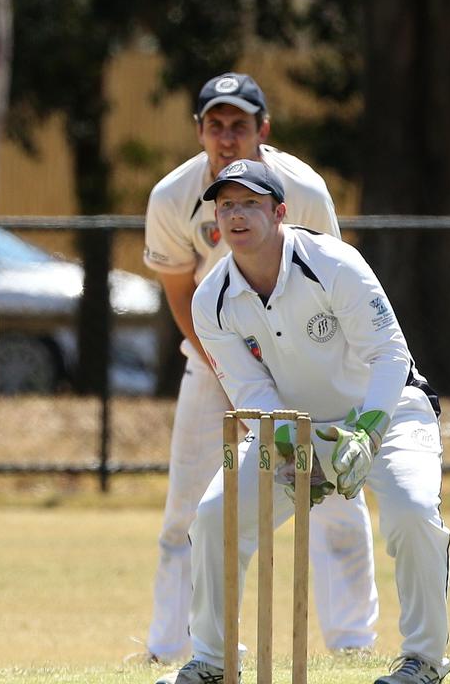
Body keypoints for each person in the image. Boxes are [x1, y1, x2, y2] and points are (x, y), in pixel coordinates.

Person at [159, 159, 450, 684]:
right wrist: (294, 447)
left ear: (280, 211)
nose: (236, 215)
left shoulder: (334, 263)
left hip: (388, 414)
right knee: (213, 517)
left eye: (250, 203)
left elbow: (390, 356)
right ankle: (212, 662)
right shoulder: (212, 300)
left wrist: (367, 432)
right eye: (226, 205)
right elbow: (251, 391)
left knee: (410, 511)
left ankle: (425, 660)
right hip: (291, 425)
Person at [141, 73, 378, 663]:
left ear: (262, 130)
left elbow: (332, 278)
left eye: (239, 125)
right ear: (199, 130)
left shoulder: (302, 189)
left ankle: (351, 643)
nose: (226, 137)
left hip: (304, 366)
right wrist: (225, 366)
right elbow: (178, 289)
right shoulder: (174, 197)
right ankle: (174, 646)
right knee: (189, 507)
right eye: (215, 125)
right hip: (211, 360)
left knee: (336, 498)